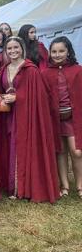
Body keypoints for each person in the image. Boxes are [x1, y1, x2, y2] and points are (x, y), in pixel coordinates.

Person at [0, 36, 59, 203]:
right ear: (5, 51)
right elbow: (0, 90)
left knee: (22, 146)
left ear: (22, 48)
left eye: (16, 47)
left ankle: (23, 187)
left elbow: (40, 96)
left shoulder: (31, 69)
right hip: (8, 114)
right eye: (9, 48)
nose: (13, 51)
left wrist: (18, 98)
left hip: (27, 117)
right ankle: (11, 185)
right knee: (10, 146)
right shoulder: (4, 69)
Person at [41, 36, 82, 198]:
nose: (57, 54)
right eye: (54, 52)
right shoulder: (45, 73)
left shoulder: (78, 70)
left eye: (61, 51)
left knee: (77, 151)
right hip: (54, 119)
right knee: (60, 151)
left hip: (74, 118)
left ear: (68, 52)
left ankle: (80, 184)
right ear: (49, 53)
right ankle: (64, 185)